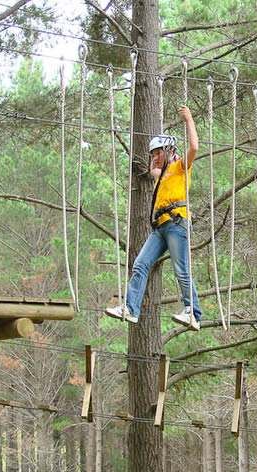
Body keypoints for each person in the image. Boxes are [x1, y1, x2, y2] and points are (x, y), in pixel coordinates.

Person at [105, 106, 202, 329]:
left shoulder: (180, 167)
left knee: (181, 269)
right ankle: (130, 308)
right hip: (160, 228)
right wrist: (157, 154)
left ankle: (193, 313)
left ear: (169, 151)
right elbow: (153, 171)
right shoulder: (161, 175)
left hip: (177, 222)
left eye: (158, 153)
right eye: (153, 155)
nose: (155, 158)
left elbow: (194, 146)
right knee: (140, 264)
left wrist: (188, 120)